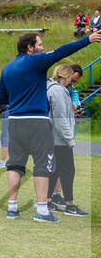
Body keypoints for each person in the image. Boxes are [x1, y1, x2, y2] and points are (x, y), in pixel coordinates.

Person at [0, 30, 101, 221]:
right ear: (30, 48)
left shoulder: (7, 68)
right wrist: (88, 40)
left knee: (15, 164)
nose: (43, 48)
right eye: (40, 44)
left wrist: (12, 104)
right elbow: (61, 52)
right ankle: (42, 210)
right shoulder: (36, 61)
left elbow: (0, 98)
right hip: (37, 120)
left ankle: (12, 209)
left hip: (14, 120)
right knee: (42, 165)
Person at [46, 64, 88, 216]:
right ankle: (70, 205)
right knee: (68, 171)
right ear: (65, 76)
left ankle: (48, 201)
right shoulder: (57, 91)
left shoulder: (55, 89)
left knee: (55, 171)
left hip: (55, 138)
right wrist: (70, 139)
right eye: (71, 78)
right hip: (59, 140)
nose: (72, 82)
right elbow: (59, 119)